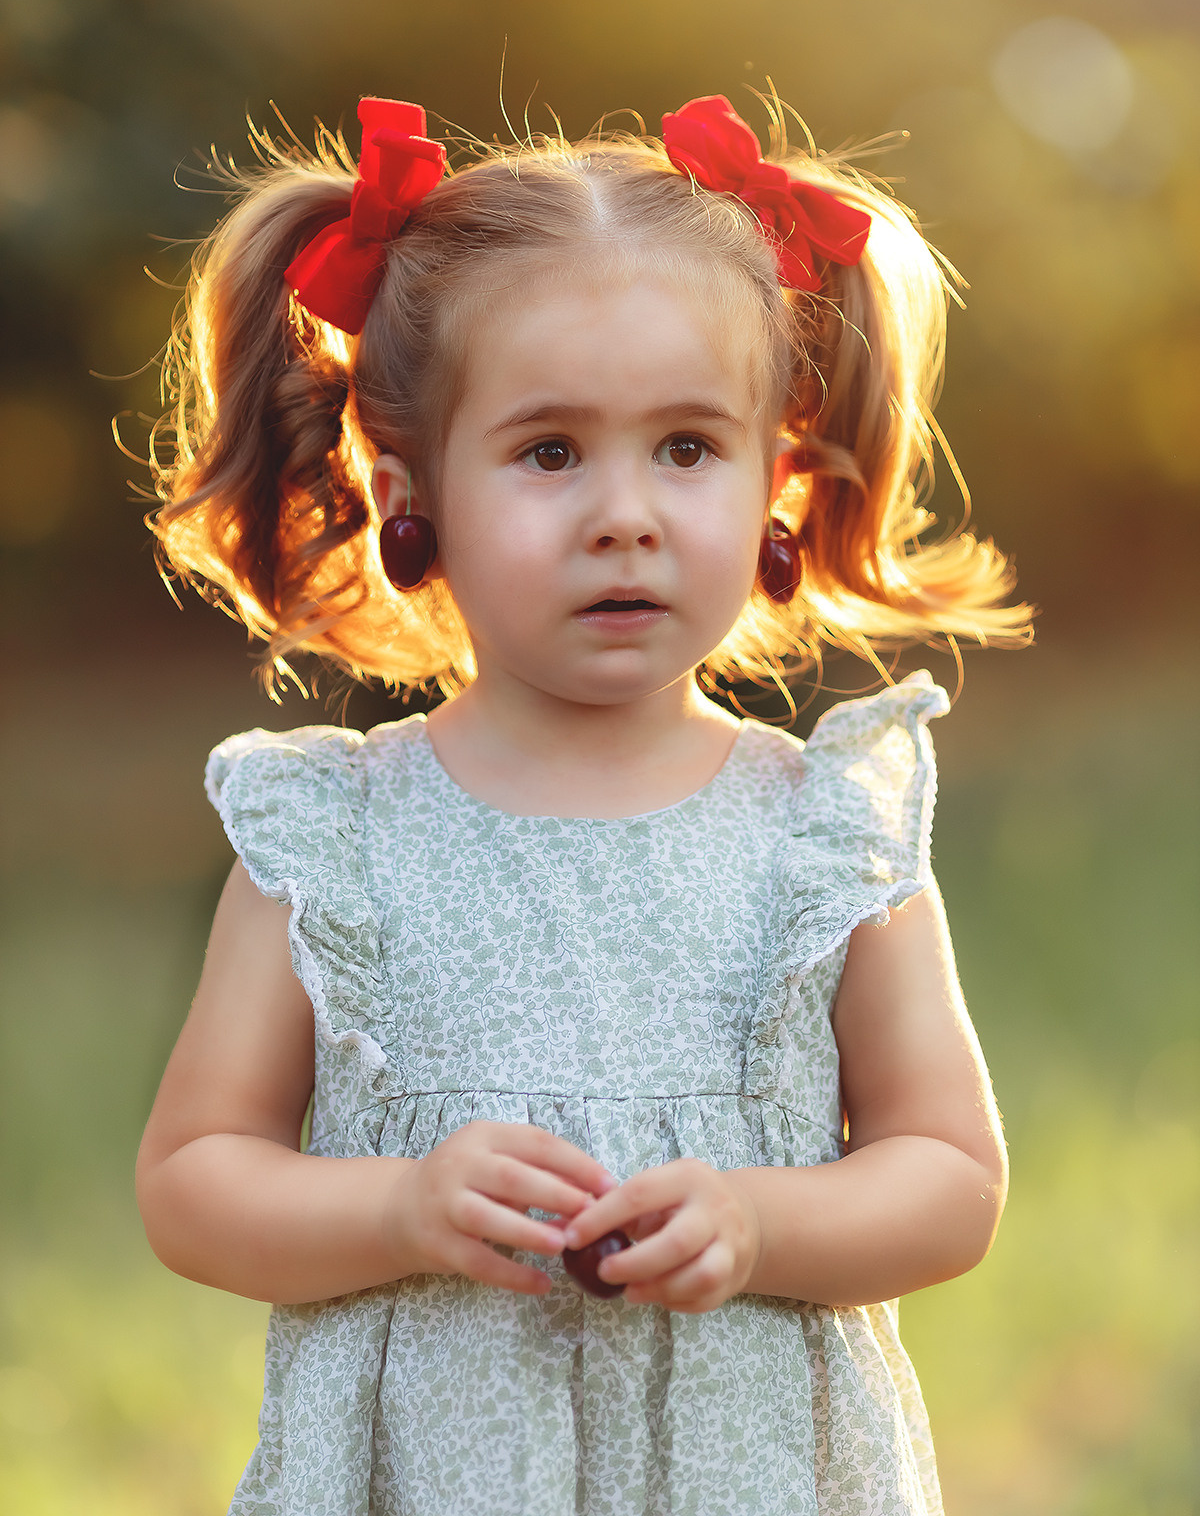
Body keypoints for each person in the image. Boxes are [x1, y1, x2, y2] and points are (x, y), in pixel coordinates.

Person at [135, 92, 1031, 1515]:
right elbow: (195, 1177)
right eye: (550, 452)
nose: (626, 512)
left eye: (687, 448)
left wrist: (758, 1218)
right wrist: (397, 1205)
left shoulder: (825, 836)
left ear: (775, 486)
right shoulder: (340, 842)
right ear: (403, 486)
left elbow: (949, 1177)